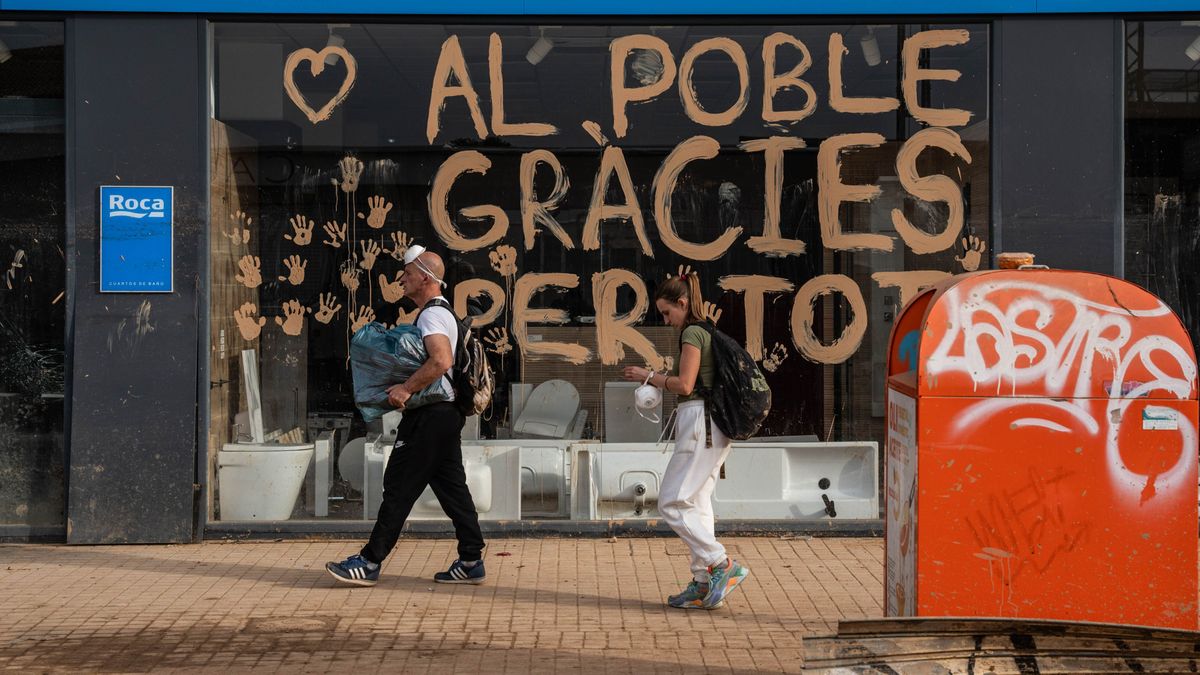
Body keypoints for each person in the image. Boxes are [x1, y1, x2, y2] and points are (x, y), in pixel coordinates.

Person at [326, 245, 486, 587]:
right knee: (452, 489)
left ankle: (369, 561)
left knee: (399, 486)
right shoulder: (442, 312)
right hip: (445, 415)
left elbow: (441, 361)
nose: (402, 279)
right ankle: (471, 559)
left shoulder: (431, 315)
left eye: (408, 274)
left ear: (425, 278)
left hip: (430, 416)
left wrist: (406, 389)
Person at [623, 271, 750, 610]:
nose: (666, 321)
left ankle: (721, 564)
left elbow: (685, 385)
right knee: (697, 503)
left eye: (667, 313)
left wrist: (648, 376)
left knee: (671, 501)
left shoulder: (693, 332)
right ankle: (704, 580)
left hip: (699, 422)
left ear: (682, 303)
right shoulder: (705, 329)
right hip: (711, 425)